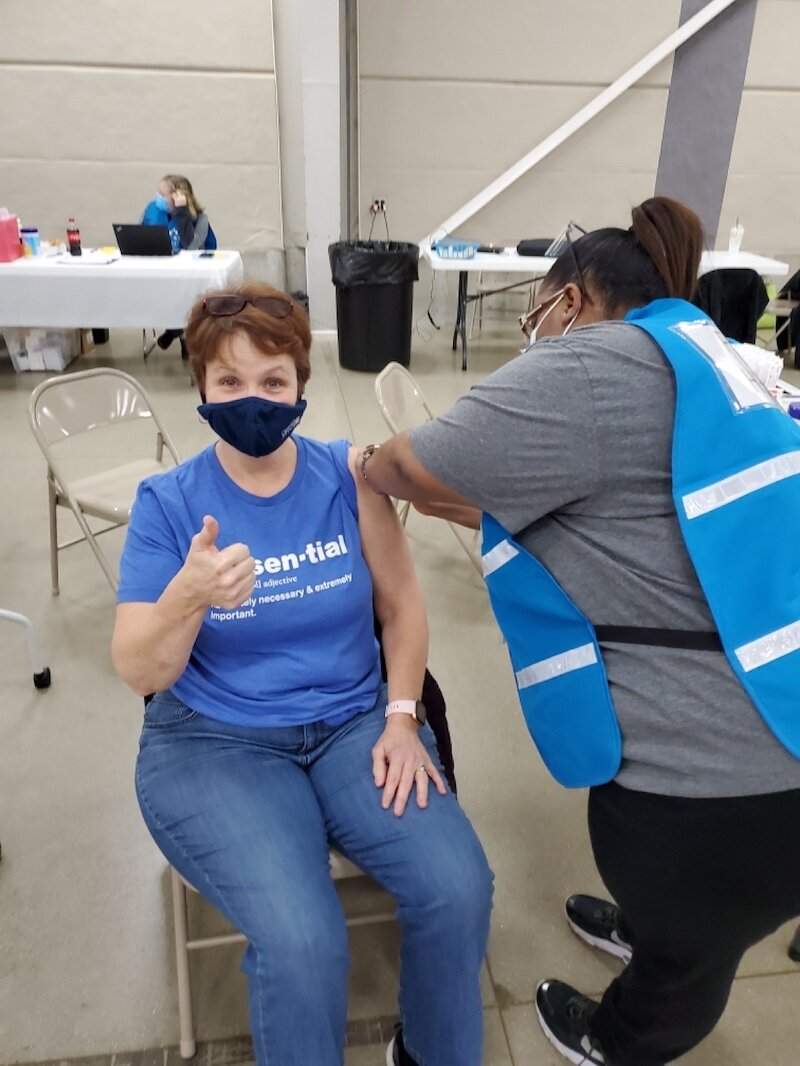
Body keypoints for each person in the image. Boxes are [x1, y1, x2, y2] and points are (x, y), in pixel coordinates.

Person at [357, 197, 800, 1066]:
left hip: (718, 801)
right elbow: (556, 501)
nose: (536, 329)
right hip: (780, 717)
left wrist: (365, 466)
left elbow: (418, 462)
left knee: (690, 964)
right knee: (682, 922)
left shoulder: (590, 365)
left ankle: (619, 1035)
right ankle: (652, 926)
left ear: (572, 300)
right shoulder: (719, 358)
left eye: (539, 311)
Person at [111, 282, 493, 1066]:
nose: (252, 398)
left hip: (355, 722)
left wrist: (399, 717)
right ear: (203, 388)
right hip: (216, 742)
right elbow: (136, 667)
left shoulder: (346, 477)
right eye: (230, 382)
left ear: (301, 386)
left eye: (273, 381)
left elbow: (403, 608)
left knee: (458, 889)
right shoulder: (169, 504)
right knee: (303, 941)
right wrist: (188, 596)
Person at [141, 174, 217, 355]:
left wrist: (182, 213)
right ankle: (179, 333)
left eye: (162, 193)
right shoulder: (157, 213)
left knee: (183, 295)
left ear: (179, 195)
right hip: (164, 274)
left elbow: (191, 246)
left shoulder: (199, 219)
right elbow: (142, 238)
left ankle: (176, 332)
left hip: (193, 277)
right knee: (157, 291)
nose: (157, 197)